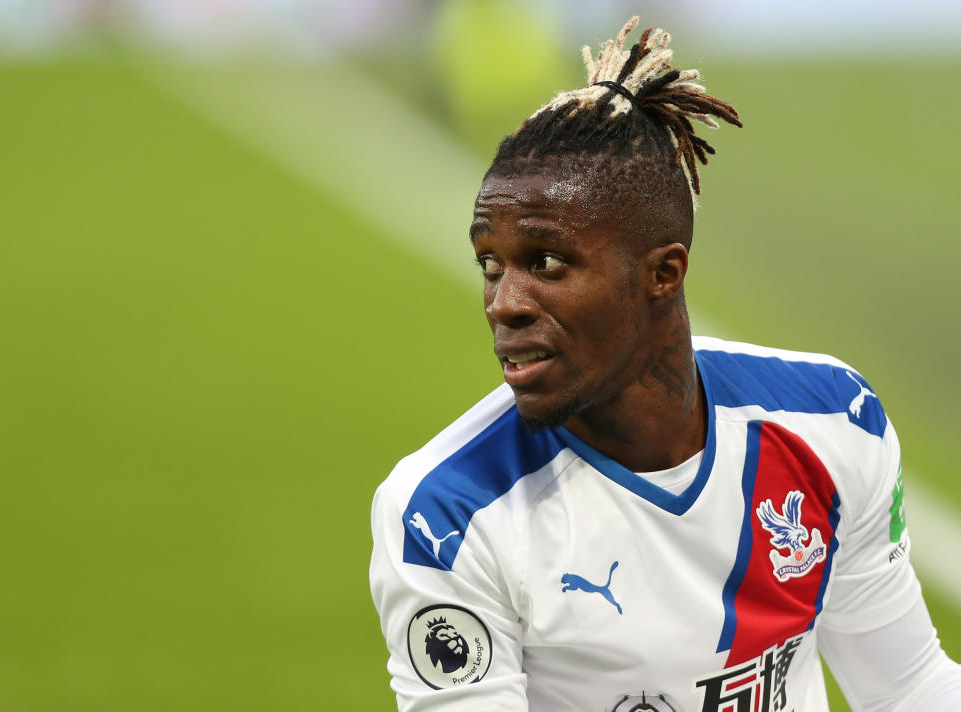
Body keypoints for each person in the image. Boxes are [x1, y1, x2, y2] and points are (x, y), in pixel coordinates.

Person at [369, 17, 961, 712]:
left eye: (547, 262)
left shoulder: (831, 420)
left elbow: (906, 686)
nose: (505, 304)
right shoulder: (449, 513)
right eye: (491, 266)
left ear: (663, 273)